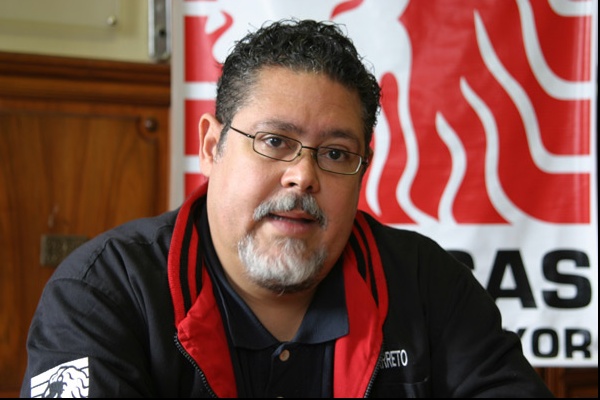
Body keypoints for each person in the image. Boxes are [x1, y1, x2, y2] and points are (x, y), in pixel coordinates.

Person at [20, 18, 554, 398]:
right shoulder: (103, 292)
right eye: (275, 141)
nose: (304, 175)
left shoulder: (428, 283)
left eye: (336, 153)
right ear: (211, 147)